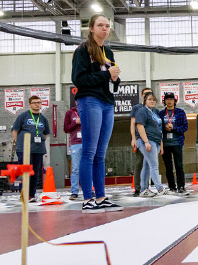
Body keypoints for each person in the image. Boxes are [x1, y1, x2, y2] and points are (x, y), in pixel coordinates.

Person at [71, 13, 124, 213]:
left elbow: (112, 83)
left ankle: (101, 197)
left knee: (101, 154)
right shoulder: (83, 50)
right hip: (90, 100)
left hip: (107, 102)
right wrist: (106, 74)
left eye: (107, 25)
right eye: (100, 25)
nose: (105, 28)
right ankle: (87, 199)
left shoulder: (108, 51)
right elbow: (79, 79)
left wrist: (115, 78)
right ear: (91, 28)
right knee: (89, 151)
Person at [11, 95, 51, 203]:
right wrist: (19, 143)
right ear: (30, 104)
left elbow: (46, 133)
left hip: (38, 149)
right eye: (35, 102)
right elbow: (15, 131)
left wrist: (38, 141)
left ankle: (31, 195)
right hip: (24, 150)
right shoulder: (23, 116)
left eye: (39, 102)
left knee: (35, 173)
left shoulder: (43, 119)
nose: (37, 104)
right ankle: (24, 194)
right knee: (25, 172)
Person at [135, 92, 168, 196]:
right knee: (154, 165)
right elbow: (140, 126)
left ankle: (144, 189)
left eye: (154, 99)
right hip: (148, 140)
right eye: (149, 99)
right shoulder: (142, 111)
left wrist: (161, 144)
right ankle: (159, 188)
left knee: (147, 166)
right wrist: (146, 142)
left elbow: (159, 128)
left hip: (156, 141)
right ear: (145, 101)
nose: (152, 101)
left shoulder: (155, 112)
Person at [158, 92, 188, 194]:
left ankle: (181, 186)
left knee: (179, 166)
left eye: (171, 99)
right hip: (165, 143)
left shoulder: (180, 112)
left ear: (174, 101)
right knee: (168, 167)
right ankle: (171, 187)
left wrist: (173, 128)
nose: (169, 101)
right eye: (167, 99)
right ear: (164, 101)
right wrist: (165, 128)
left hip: (177, 143)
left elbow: (185, 127)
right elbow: (157, 128)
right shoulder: (161, 114)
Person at [129, 87, 153, 197]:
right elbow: (133, 123)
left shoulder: (153, 108)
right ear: (142, 96)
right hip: (139, 139)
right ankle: (137, 189)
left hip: (151, 139)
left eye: (150, 93)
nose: (148, 95)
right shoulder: (137, 108)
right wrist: (133, 138)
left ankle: (146, 188)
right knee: (138, 164)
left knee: (149, 164)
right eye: (146, 93)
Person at [63, 101, 82, 200]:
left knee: (89, 168)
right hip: (76, 144)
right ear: (76, 102)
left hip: (88, 143)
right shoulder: (69, 113)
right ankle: (74, 191)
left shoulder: (88, 111)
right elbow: (66, 129)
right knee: (75, 169)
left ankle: (89, 189)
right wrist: (76, 123)